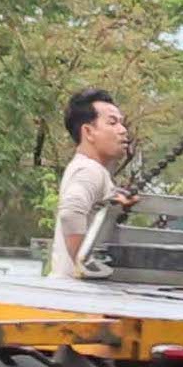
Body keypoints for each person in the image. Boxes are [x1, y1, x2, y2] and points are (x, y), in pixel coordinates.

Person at [49, 88, 133, 278]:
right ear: (88, 131)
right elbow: (71, 213)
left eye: (121, 123)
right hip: (76, 297)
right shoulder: (89, 170)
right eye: (113, 122)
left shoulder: (89, 169)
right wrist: (83, 265)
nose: (123, 129)